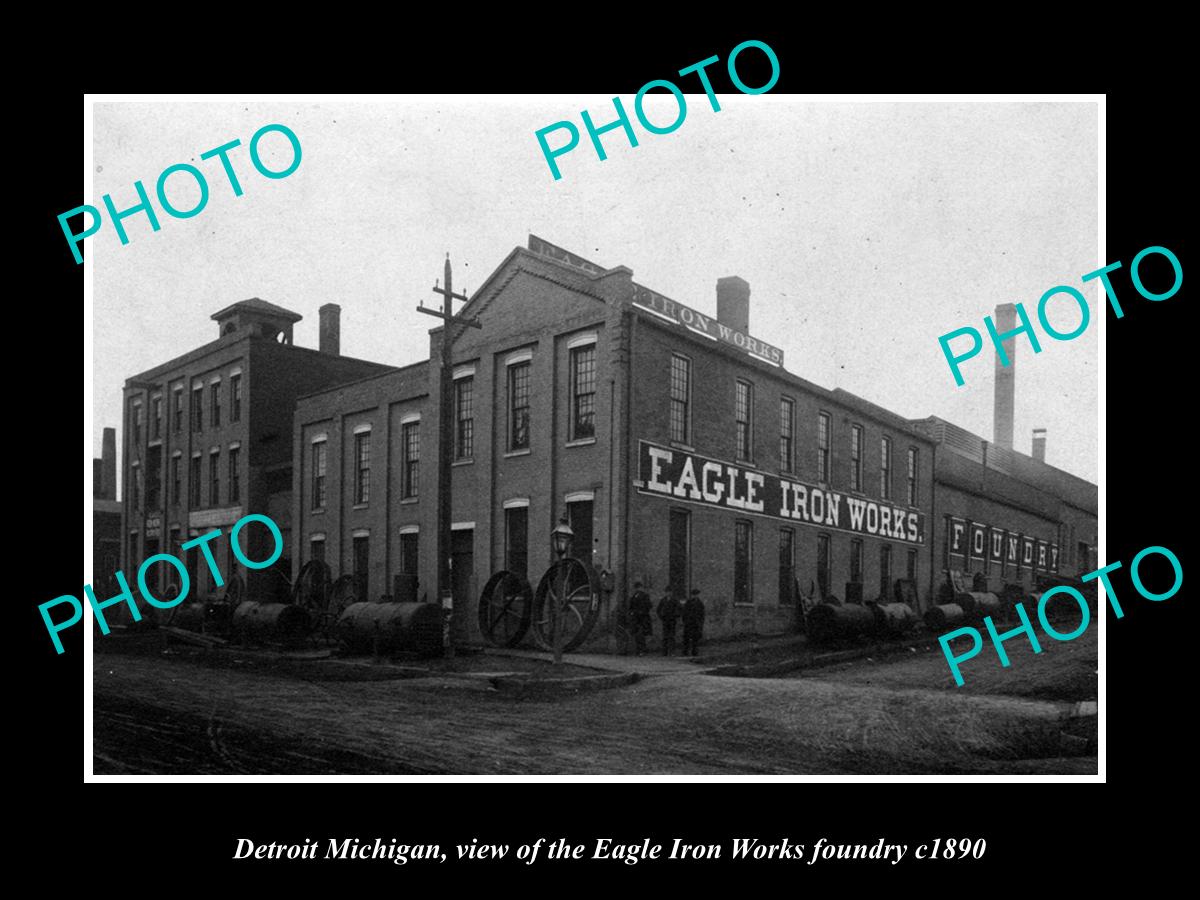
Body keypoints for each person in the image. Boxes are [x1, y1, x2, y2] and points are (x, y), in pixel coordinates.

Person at [628, 581, 653, 656]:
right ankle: (639, 650)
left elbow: (648, 606)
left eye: (638, 588)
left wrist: (641, 612)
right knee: (637, 635)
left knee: (640, 634)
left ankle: (642, 650)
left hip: (642, 618)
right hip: (636, 618)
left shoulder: (644, 596)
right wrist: (632, 613)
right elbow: (631, 607)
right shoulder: (634, 596)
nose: (638, 589)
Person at [682, 588, 706, 656]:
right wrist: (685, 621)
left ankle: (694, 651)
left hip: (696, 623)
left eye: (696, 594)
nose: (695, 596)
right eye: (694, 595)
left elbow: (702, 614)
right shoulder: (688, 602)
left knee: (695, 638)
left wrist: (700, 623)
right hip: (689, 623)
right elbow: (684, 612)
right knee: (686, 638)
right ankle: (685, 651)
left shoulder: (700, 604)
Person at [657, 591, 682, 656]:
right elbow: (658, 609)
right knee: (665, 636)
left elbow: (679, 609)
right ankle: (664, 651)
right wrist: (661, 616)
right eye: (667, 592)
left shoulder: (675, 600)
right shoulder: (663, 600)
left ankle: (672, 651)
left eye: (670, 592)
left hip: (672, 620)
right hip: (665, 620)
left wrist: (675, 615)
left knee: (672, 636)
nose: (669, 593)